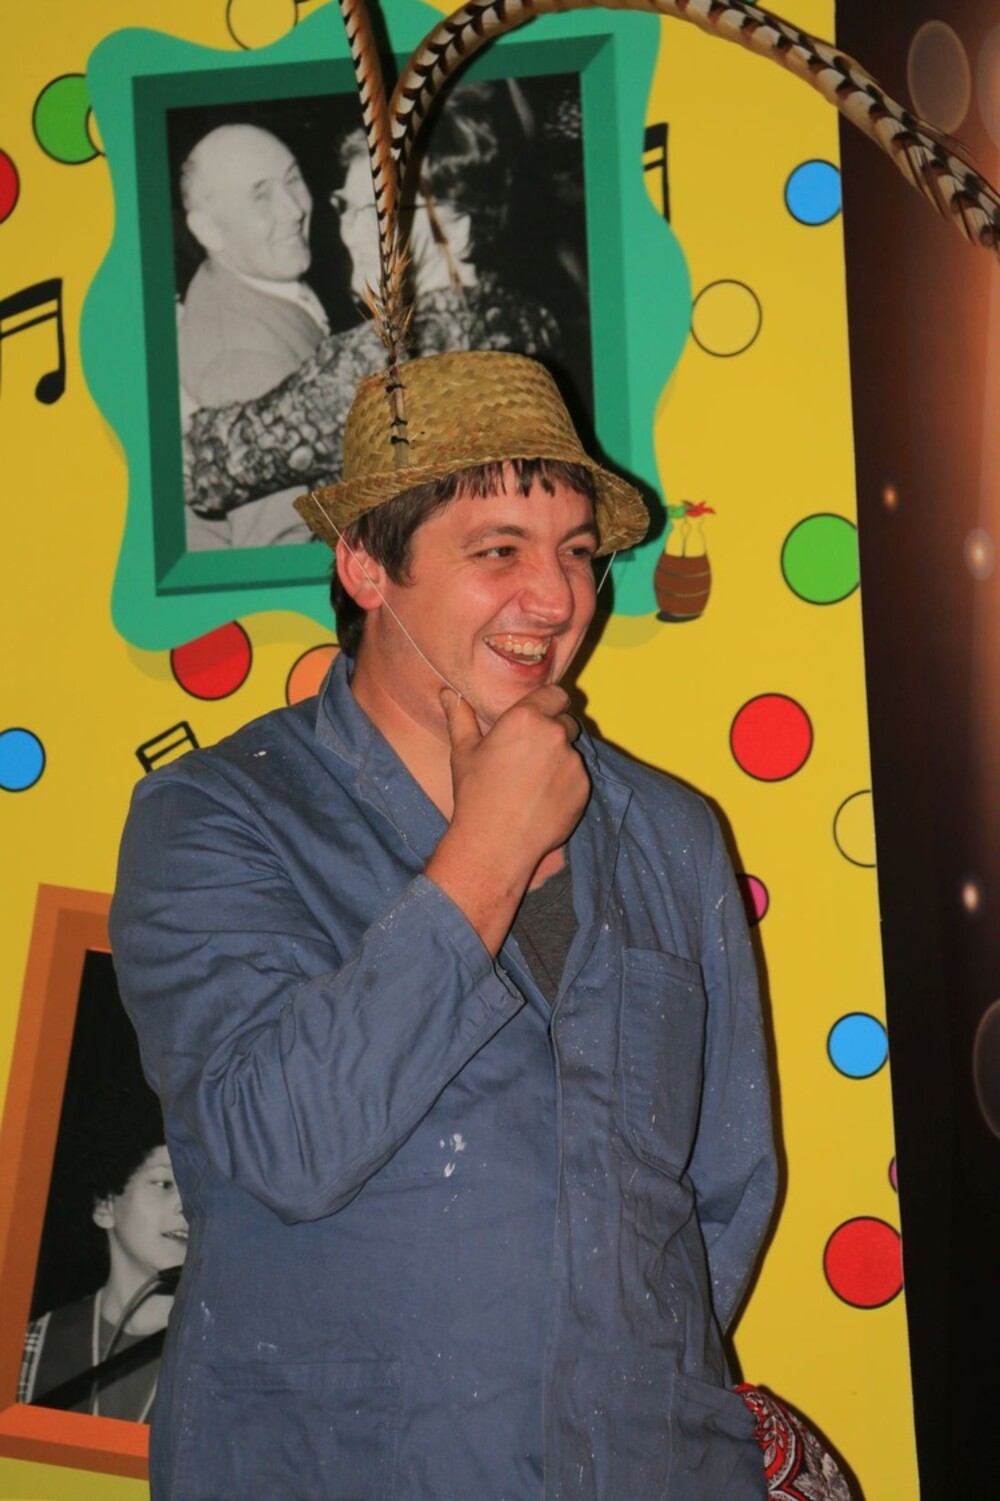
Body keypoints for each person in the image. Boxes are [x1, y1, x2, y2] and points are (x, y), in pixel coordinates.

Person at [110, 344, 777, 1498]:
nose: (557, 598)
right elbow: (280, 1146)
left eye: (577, 551)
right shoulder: (212, 817)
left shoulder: (671, 831)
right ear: (366, 566)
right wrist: (485, 855)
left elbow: (725, 1189)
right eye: (497, 550)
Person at [177, 122, 327, 549]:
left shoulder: (245, 280)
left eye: (293, 179)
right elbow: (281, 546)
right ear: (209, 230)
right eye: (261, 196)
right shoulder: (243, 362)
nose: (294, 209)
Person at [19, 1118, 188, 1423]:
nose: (187, 1206)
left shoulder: (228, 1356)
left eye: (198, 1190)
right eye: (164, 1184)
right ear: (105, 1207)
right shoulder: (28, 1345)